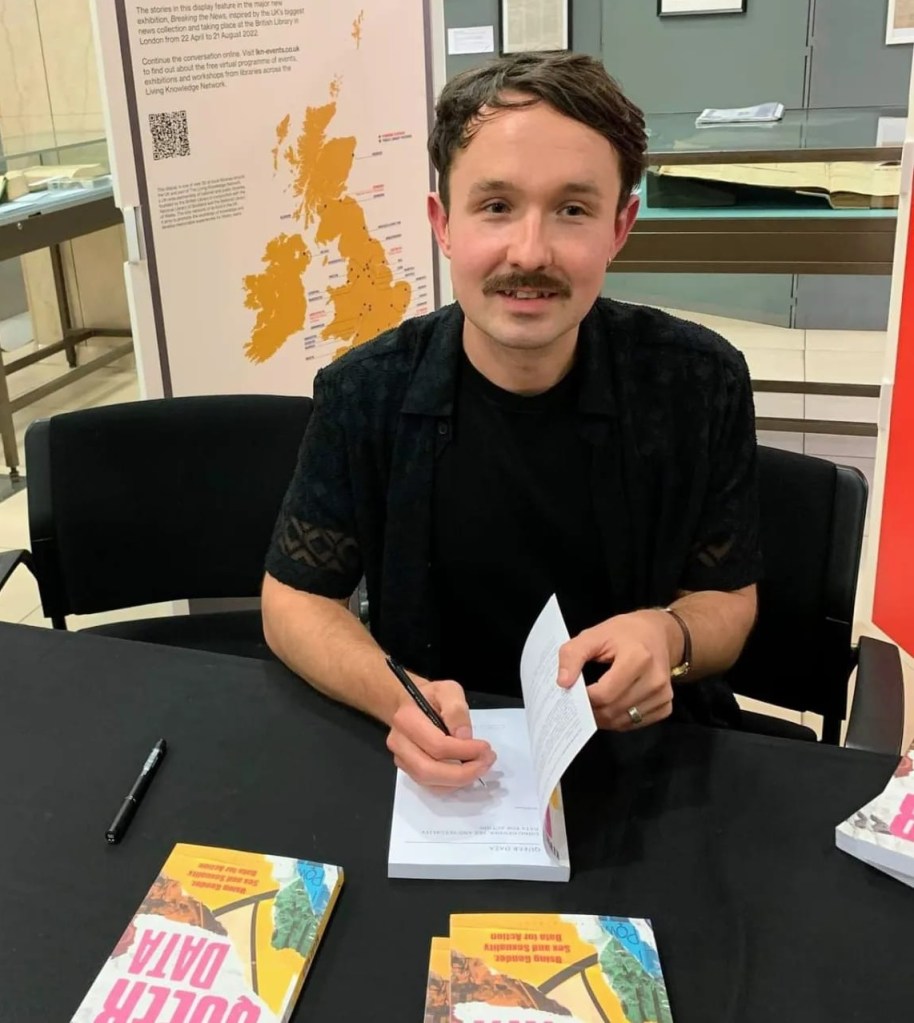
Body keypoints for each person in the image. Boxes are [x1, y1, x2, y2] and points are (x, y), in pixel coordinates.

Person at [262, 52, 760, 790]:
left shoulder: (697, 384)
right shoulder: (365, 394)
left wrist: (670, 635)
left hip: (645, 764)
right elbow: (294, 599)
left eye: (572, 209)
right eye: (496, 206)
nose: (530, 253)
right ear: (444, 224)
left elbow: (729, 597)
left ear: (621, 227)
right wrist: (393, 696)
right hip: (439, 766)